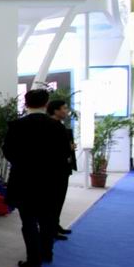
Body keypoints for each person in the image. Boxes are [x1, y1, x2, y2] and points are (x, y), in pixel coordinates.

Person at [3, 90, 72, 267]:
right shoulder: (57, 127)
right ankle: (47, 252)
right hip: (51, 181)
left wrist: (23, 163)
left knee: (29, 221)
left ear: (26, 104)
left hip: (24, 181)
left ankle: (33, 261)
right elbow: (65, 153)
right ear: (46, 104)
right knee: (48, 218)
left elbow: (8, 151)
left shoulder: (17, 125)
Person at [47, 99, 77, 239]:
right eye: (64, 108)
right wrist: (68, 147)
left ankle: (55, 225)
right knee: (55, 200)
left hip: (62, 168)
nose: (66, 111)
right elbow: (53, 148)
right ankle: (51, 229)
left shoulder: (59, 125)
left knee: (59, 199)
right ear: (55, 110)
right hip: (55, 170)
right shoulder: (51, 126)